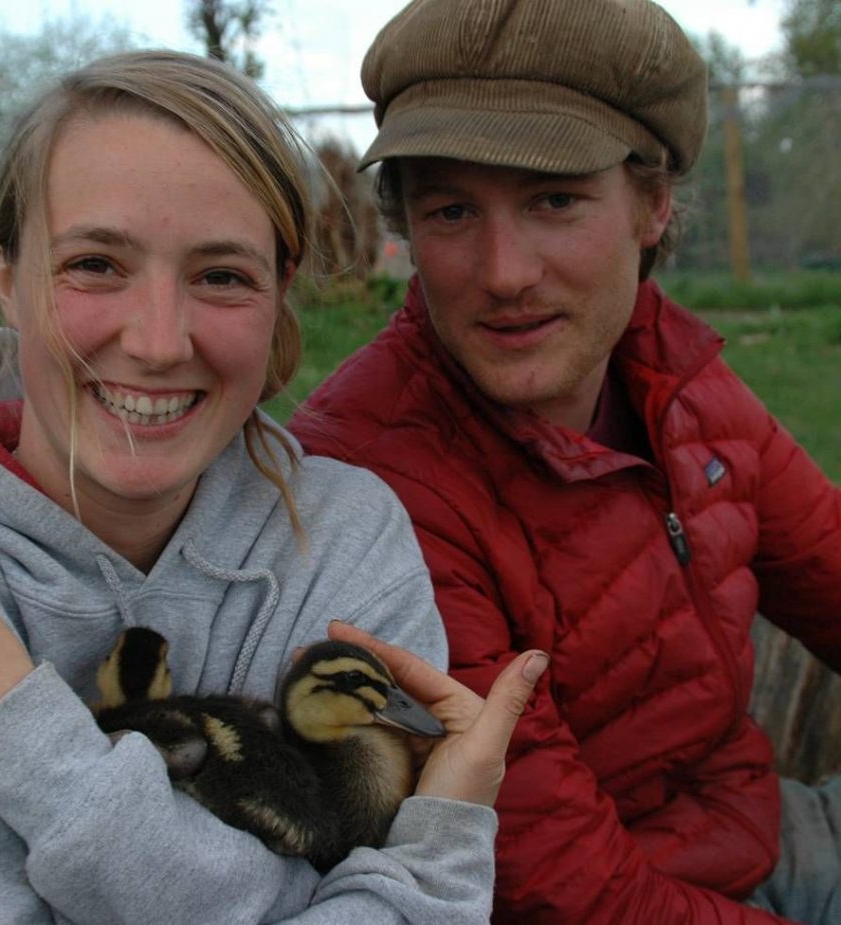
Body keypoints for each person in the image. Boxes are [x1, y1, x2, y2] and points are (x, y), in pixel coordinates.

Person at [0, 50, 548, 924]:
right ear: (9, 279)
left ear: (281, 295)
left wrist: (11, 740)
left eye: (222, 276)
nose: (161, 342)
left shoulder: (347, 539)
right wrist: (419, 865)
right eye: (95, 263)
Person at [288, 0, 841, 922]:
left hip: (758, 829)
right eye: (453, 208)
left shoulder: (672, 373)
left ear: (653, 204)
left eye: (555, 200)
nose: (504, 271)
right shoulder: (374, 480)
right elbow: (568, 891)